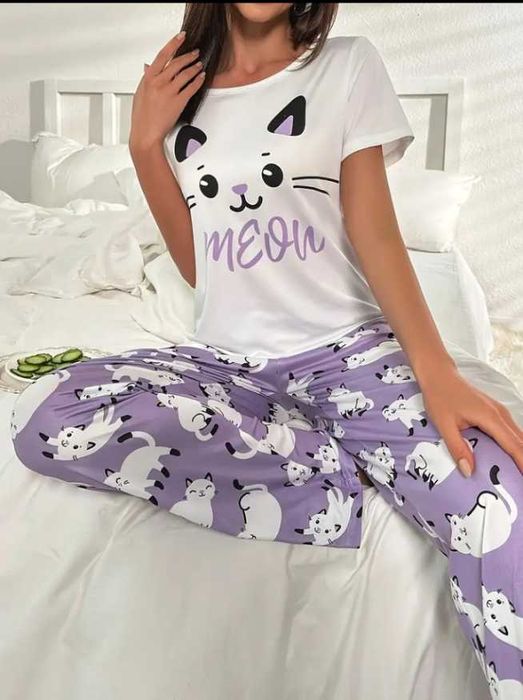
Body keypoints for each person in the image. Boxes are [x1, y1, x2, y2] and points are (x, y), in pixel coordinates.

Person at [10, 2, 523, 694]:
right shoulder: (179, 89)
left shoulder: (346, 65)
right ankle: (331, 478)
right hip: (229, 366)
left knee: (500, 508)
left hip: (349, 354)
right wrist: (144, 146)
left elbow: (374, 230)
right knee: (48, 414)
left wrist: (438, 375)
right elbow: (204, 270)